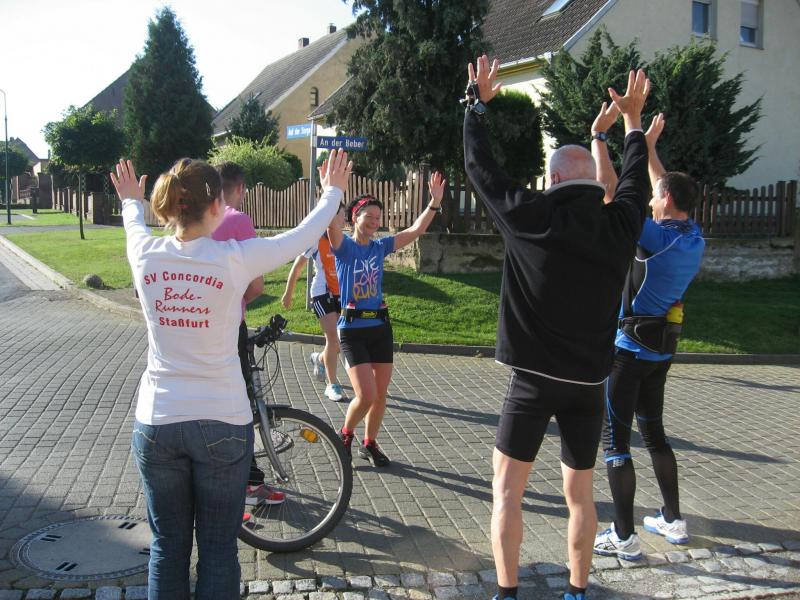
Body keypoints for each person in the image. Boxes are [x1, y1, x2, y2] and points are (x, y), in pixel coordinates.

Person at [112, 149, 351, 600]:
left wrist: (129, 199)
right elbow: (302, 234)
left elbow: (132, 222)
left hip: (158, 422)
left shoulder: (145, 253)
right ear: (217, 205)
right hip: (223, 420)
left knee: (167, 547)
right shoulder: (235, 258)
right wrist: (332, 191)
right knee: (219, 548)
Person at [462, 55, 651, 600]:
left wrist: (476, 107)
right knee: (580, 496)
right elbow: (635, 182)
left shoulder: (532, 216)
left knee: (506, 493)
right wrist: (632, 124)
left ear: (552, 179)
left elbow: (480, 169)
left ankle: (507, 593)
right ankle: (576, 592)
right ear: (593, 182)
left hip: (532, 381)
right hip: (589, 385)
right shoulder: (620, 223)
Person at [590, 109, 705, 560]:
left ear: (667, 200)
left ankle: (623, 536)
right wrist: (651, 149)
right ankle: (673, 520)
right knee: (655, 434)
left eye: (657, 197)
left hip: (628, 353)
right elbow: (664, 185)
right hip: (660, 353)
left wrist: (601, 138)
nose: (652, 200)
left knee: (616, 442)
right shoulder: (692, 236)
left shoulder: (655, 237)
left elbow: (612, 190)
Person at [327, 173, 446, 467]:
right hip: (352, 330)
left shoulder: (380, 247)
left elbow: (416, 230)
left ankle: (369, 443)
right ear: (354, 218)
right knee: (366, 395)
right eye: (368, 216)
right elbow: (331, 226)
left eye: (378, 217)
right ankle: (345, 434)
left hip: (380, 327)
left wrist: (434, 203)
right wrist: (332, 190)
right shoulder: (344, 247)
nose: (374, 222)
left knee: (380, 395)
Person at [210, 161, 283, 508]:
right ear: (240, 188)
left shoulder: (193, 219)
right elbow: (256, 284)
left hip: (194, 327)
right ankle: (250, 484)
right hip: (229, 327)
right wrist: (237, 302)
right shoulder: (238, 219)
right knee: (239, 404)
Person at [281, 205, 348, 402]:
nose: (344, 220)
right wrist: (288, 293)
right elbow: (297, 267)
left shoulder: (346, 241)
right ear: (331, 218)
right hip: (321, 293)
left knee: (340, 341)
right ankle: (332, 385)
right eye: (342, 216)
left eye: (345, 217)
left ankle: (319, 359)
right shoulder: (316, 240)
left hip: (341, 295)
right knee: (333, 339)